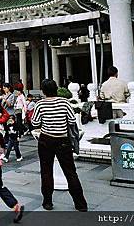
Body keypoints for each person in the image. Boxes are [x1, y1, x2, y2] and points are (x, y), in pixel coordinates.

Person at [32, 79, 87, 212]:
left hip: (46, 140)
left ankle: (48, 202)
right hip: (62, 140)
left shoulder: (40, 104)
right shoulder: (64, 102)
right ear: (56, 89)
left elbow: (35, 122)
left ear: (43, 91)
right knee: (70, 172)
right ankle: (80, 204)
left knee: (46, 171)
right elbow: (72, 120)